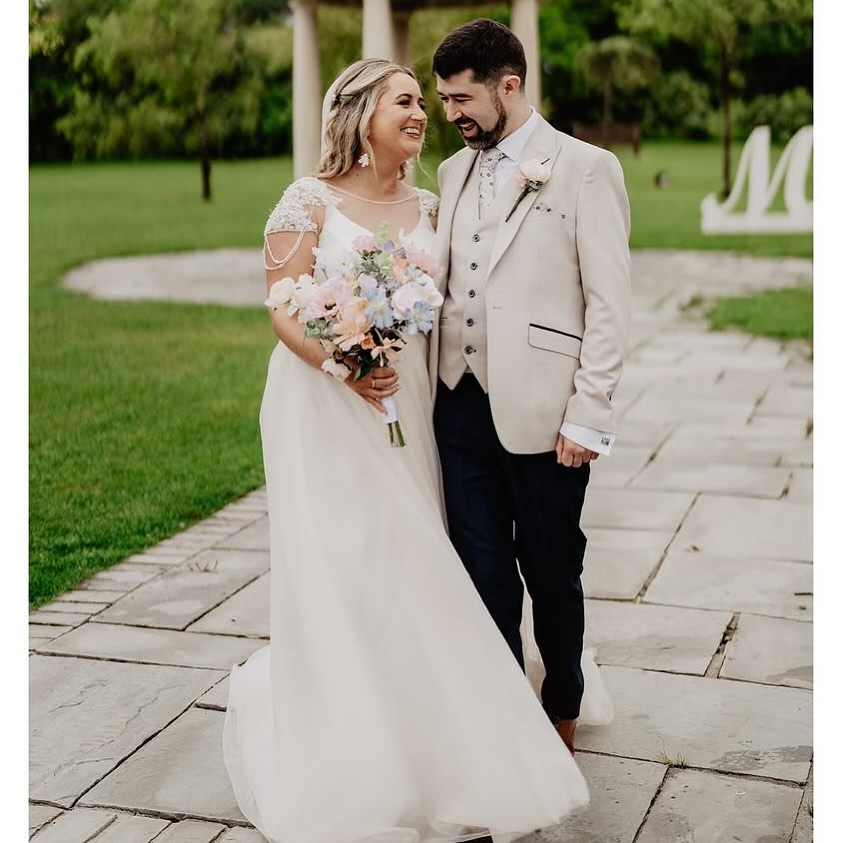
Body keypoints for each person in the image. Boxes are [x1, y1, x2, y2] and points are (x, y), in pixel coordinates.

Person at [222, 58, 590, 843]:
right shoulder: (306, 200)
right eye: (406, 100)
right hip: (322, 405)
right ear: (359, 113)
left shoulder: (436, 200)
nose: (422, 112)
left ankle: (430, 719)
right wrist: (342, 362)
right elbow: (283, 306)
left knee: (415, 554)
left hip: (412, 400)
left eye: (427, 100)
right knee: (343, 558)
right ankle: (349, 733)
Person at [431, 19, 631, 756]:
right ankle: (503, 716)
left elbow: (608, 303)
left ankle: (562, 704)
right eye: (443, 97)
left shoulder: (584, 168)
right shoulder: (451, 174)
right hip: (456, 402)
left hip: (548, 415)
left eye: (461, 98)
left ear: (507, 85)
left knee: (551, 569)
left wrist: (589, 413)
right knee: (480, 569)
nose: (448, 113)